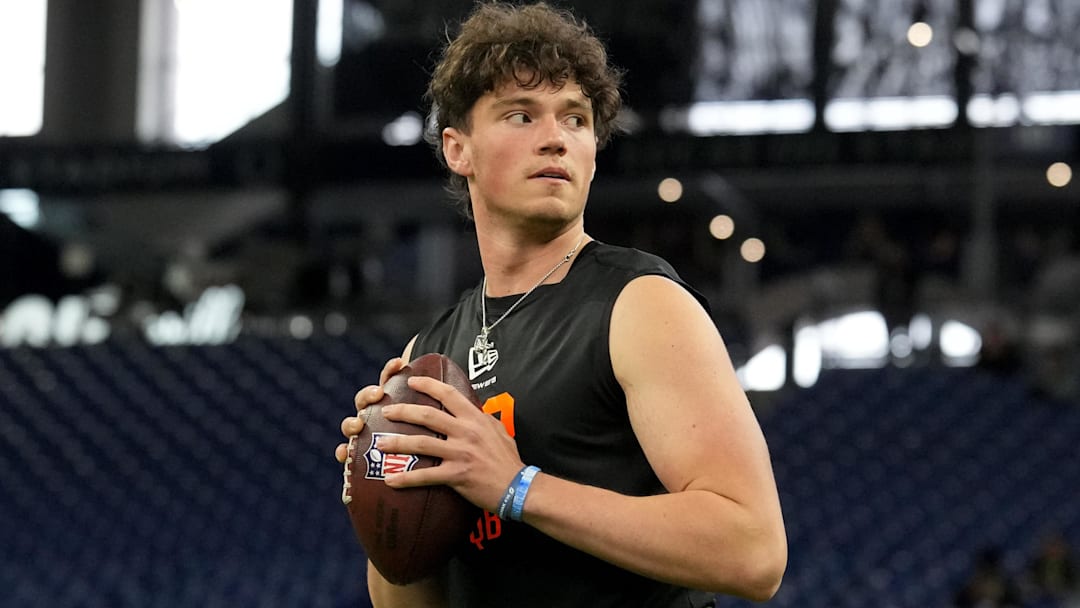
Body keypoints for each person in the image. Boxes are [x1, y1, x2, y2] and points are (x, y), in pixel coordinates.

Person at [334, 3, 787, 607]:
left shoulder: (640, 304)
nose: (555, 138)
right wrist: (382, 496)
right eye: (520, 115)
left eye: (575, 119)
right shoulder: (428, 354)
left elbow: (752, 550)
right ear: (457, 149)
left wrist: (516, 487)